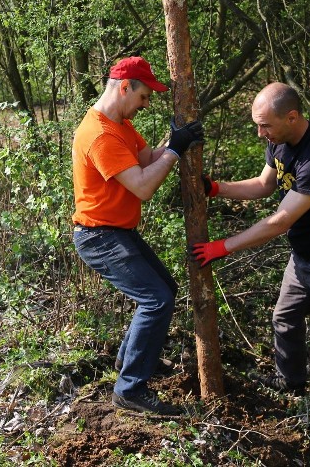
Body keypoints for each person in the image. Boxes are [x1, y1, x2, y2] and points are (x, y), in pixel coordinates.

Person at [191, 82, 310, 467]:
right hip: (302, 258)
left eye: (265, 126)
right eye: (258, 126)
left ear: (292, 117)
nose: (260, 134)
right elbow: (265, 186)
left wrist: (221, 247)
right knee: (284, 318)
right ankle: (293, 383)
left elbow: (279, 220)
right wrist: (217, 188)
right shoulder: (279, 140)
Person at [71, 56, 203, 416]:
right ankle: (130, 389)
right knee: (156, 300)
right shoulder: (99, 134)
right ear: (125, 87)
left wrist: (179, 140)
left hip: (117, 232)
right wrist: (175, 150)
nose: (146, 105)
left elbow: (147, 159)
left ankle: (131, 360)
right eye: (143, 97)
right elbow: (144, 186)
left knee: (165, 289)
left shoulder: (119, 126)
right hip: (99, 237)